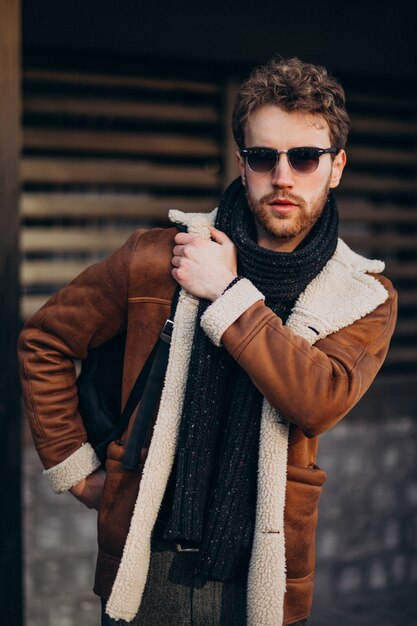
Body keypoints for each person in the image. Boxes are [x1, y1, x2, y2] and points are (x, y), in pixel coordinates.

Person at [18, 56, 397, 626]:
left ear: (337, 166)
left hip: (259, 576)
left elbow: (316, 399)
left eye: (305, 157)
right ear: (242, 163)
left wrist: (228, 293)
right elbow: (44, 339)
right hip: (147, 566)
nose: (283, 176)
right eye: (264, 156)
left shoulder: (363, 296)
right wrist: (77, 471)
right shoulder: (158, 257)